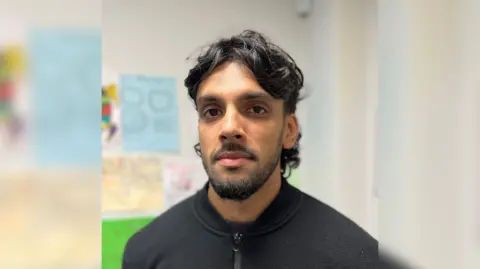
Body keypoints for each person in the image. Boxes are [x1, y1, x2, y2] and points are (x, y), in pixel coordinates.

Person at [122, 30, 383, 269]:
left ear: (289, 130)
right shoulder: (145, 253)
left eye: (256, 109)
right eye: (212, 111)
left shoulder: (355, 257)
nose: (229, 127)